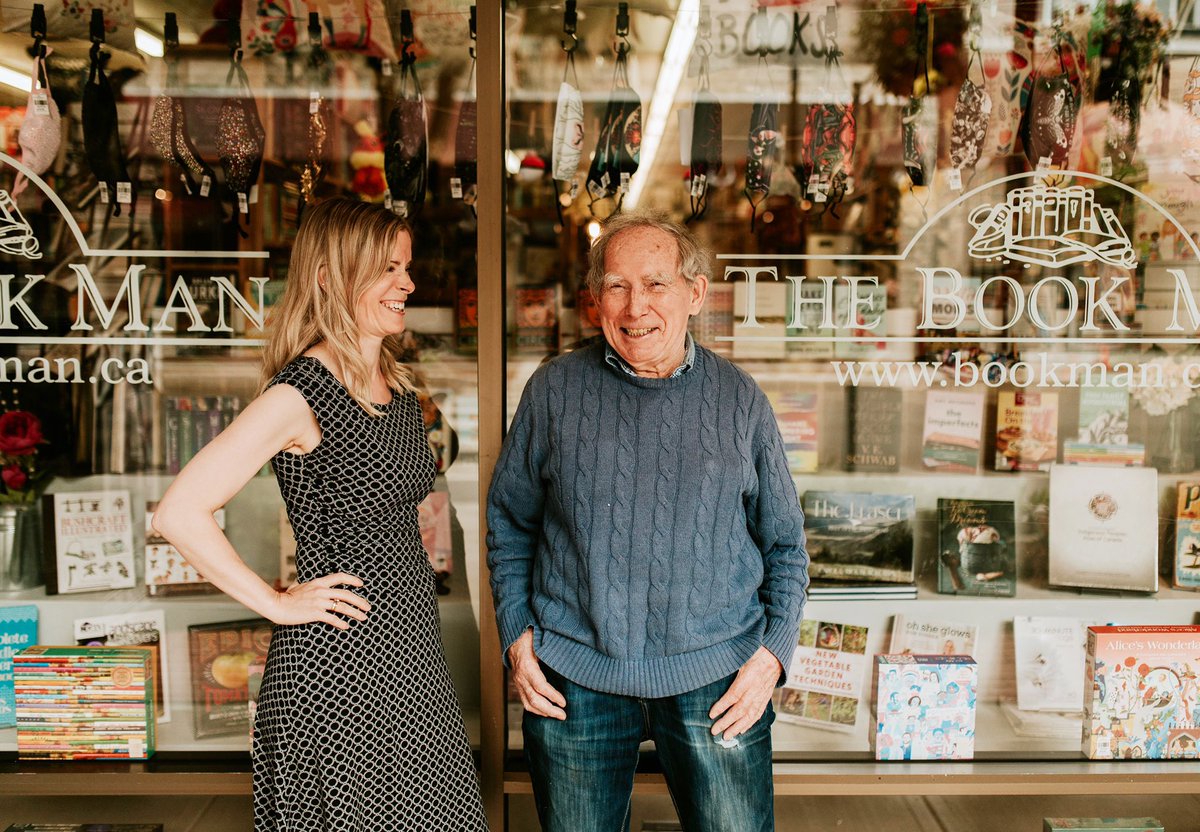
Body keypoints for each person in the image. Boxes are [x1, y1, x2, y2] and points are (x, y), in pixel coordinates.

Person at [153, 198, 488, 832]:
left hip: (409, 656)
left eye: (407, 267)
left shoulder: (392, 382)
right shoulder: (299, 393)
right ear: (332, 277)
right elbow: (179, 512)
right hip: (337, 669)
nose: (408, 284)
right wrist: (276, 603)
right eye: (388, 269)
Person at [487, 210, 808, 832]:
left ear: (695, 294)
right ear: (594, 300)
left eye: (656, 284)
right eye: (617, 286)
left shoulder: (740, 400)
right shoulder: (553, 392)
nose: (636, 307)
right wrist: (517, 640)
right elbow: (509, 524)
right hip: (574, 676)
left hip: (717, 675)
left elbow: (787, 547)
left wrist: (772, 657)